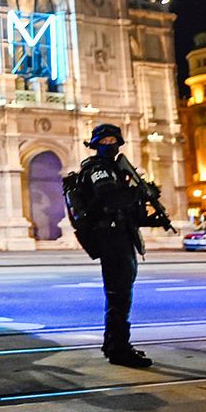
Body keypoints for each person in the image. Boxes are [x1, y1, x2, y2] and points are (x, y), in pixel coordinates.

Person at [70, 123, 165, 368]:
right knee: (118, 295)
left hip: (122, 236)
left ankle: (113, 342)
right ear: (95, 145)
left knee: (122, 293)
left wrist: (151, 216)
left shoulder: (116, 170)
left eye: (114, 141)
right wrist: (139, 193)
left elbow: (126, 210)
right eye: (105, 141)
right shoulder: (98, 169)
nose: (110, 146)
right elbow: (110, 198)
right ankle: (118, 348)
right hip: (110, 239)